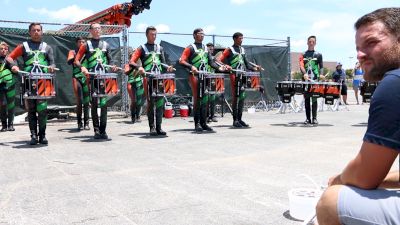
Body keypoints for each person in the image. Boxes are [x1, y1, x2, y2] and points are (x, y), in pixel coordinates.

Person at [316, 8, 400, 225]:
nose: (361, 55)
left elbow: (365, 176)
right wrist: (381, 182)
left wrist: (339, 180)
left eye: (371, 42)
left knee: (331, 201)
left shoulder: (394, 83)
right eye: (358, 48)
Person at [8, 23, 56, 145]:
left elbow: (52, 63)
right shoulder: (23, 46)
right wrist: (14, 66)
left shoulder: (47, 47)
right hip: (28, 81)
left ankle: (42, 135)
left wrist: (51, 67)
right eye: (33, 30)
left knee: (42, 110)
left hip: (43, 82)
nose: (36, 32)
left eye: (38, 30)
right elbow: (9, 58)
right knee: (31, 110)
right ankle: (33, 135)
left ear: (42, 32)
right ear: (29, 32)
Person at [126, 26, 174, 136]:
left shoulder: (159, 48)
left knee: (160, 103)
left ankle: (159, 127)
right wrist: (139, 68)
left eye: (155, 34)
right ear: (147, 35)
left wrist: (168, 68)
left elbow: (163, 63)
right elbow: (131, 62)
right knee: (151, 103)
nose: (154, 36)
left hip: (159, 79)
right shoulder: (142, 48)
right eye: (152, 34)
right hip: (148, 78)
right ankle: (152, 127)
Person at [179, 28, 228, 132]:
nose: (202, 35)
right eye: (200, 34)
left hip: (206, 76)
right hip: (195, 76)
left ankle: (204, 123)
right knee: (198, 100)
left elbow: (211, 62)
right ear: (194, 35)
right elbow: (181, 60)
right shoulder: (190, 48)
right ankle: (197, 124)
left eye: (203, 34)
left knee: (205, 100)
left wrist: (219, 68)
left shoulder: (206, 48)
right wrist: (191, 66)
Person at [74, 23, 117, 139]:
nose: (97, 30)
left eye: (99, 28)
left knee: (104, 104)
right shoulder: (86, 45)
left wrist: (112, 66)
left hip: (104, 78)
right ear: (91, 31)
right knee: (94, 104)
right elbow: (76, 60)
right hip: (92, 78)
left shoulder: (106, 45)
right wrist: (82, 67)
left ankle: (103, 130)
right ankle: (96, 130)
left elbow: (111, 60)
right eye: (95, 28)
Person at [218, 32, 260, 128]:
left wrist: (254, 68)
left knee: (242, 97)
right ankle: (235, 120)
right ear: (235, 39)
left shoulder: (242, 49)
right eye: (240, 38)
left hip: (242, 75)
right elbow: (219, 60)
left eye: (242, 38)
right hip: (234, 75)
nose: (242, 40)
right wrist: (226, 65)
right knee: (236, 98)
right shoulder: (230, 49)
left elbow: (246, 63)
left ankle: (240, 119)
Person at [299, 35, 324, 125]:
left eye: (313, 41)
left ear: (315, 43)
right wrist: (304, 73)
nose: (311, 43)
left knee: (314, 98)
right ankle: (307, 119)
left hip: (314, 80)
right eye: (310, 41)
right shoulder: (302, 54)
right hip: (305, 79)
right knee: (306, 99)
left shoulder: (318, 54)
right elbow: (301, 65)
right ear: (307, 42)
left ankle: (314, 118)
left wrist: (321, 74)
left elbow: (321, 66)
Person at [67, 37, 90, 131]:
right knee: (79, 101)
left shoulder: (88, 52)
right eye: (80, 42)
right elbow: (69, 62)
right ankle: (79, 123)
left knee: (87, 101)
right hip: (76, 77)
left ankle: (87, 123)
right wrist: (73, 58)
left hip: (87, 78)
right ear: (77, 43)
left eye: (83, 42)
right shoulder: (73, 52)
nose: (81, 43)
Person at [125, 49, 145, 124]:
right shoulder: (127, 65)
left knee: (139, 101)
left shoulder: (139, 65)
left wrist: (141, 70)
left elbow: (144, 74)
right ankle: (133, 117)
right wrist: (132, 67)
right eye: (132, 56)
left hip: (139, 83)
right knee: (134, 101)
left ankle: (138, 116)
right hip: (131, 83)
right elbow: (126, 72)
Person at [0, 42, 16, 132]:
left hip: (10, 85)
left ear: (7, 50)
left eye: (5, 49)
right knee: (2, 106)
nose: (3, 50)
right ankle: (4, 125)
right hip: (0, 86)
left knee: (11, 105)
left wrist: (13, 67)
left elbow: (15, 69)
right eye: (1, 49)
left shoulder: (10, 59)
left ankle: (11, 125)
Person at [206, 42, 218, 123]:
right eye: (209, 48)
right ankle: (206, 116)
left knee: (212, 98)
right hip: (205, 78)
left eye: (212, 48)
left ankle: (212, 116)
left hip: (212, 79)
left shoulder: (214, 58)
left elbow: (216, 65)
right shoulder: (204, 57)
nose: (211, 50)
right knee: (206, 98)